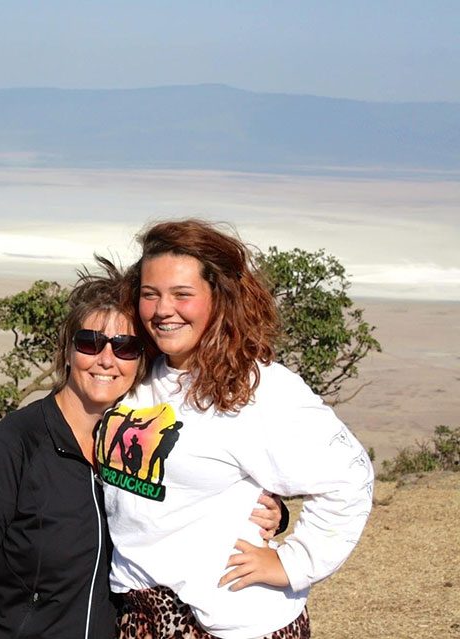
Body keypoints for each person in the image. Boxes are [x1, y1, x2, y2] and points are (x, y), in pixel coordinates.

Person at [0, 258, 284, 638]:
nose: (106, 360)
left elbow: (195, 490)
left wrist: (267, 509)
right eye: (90, 342)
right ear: (67, 350)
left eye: (125, 347)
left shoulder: (132, 445)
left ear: (142, 360)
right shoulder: (6, 451)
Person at [98, 220, 374, 639]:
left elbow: (350, 477)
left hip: (232, 623)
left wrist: (294, 563)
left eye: (182, 294)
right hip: (141, 613)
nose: (161, 309)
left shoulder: (259, 388)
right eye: (149, 294)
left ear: (219, 299)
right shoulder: (136, 375)